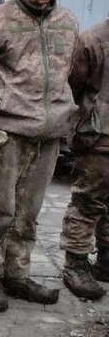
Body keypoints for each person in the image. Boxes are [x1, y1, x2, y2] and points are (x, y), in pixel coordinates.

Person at [0, 0, 78, 311]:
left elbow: (67, 73)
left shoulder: (67, 22)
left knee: (28, 212)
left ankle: (17, 273)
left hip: (48, 134)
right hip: (4, 132)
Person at [58, 18, 109, 301]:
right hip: (98, 138)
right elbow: (73, 85)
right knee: (88, 201)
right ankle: (75, 262)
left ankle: (105, 259)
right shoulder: (92, 39)